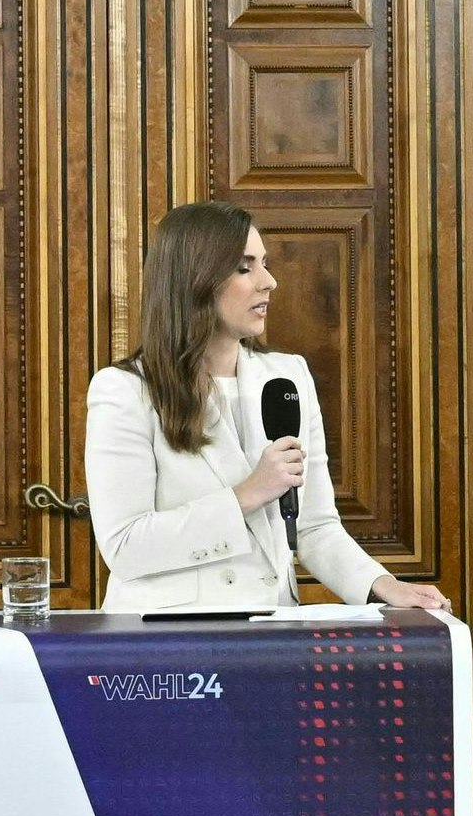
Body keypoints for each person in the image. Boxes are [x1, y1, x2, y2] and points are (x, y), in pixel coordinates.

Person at [83, 201, 452, 615]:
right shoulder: (125, 390)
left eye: (265, 264)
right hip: (166, 645)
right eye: (245, 268)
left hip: (271, 638)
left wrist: (379, 584)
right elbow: (126, 547)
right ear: (194, 280)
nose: (269, 282)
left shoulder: (287, 376)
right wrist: (248, 493)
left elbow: (314, 525)